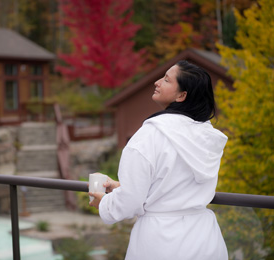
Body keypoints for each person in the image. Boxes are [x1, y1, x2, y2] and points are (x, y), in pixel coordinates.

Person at [88, 60, 228, 260]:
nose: (157, 82)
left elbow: (129, 204)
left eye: (166, 80)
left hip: (161, 242)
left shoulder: (150, 135)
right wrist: (122, 187)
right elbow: (177, 186)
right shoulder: (206, 137)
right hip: (204, 238)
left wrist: (104, 203)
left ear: (182, 95)